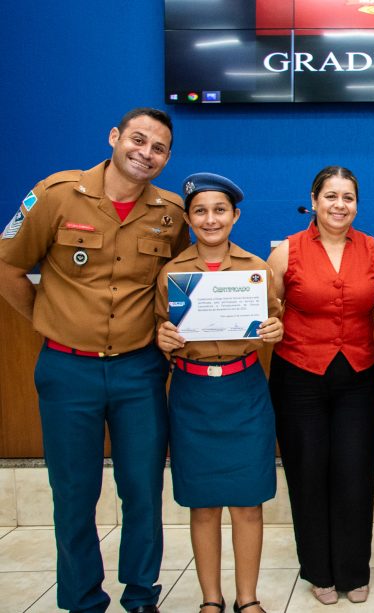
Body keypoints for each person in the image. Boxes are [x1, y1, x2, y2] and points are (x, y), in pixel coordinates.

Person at [0, 108, 188, 613]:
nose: (145, 153)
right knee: (74, 492)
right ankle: (83, 598)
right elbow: (9, 265)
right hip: (67, 370)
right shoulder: (57, 194)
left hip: (139, 369)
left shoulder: (171, 213)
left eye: (158, 148)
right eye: (138, 140)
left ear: (167, 159)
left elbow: (181, 282)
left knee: (143, 490)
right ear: (114, 137)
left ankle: (142, 594)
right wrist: (48, 318)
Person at [155, 173, 282, 613]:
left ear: (235, 216)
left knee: (248, 501)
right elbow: (156, 325)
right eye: (201, 211)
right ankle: (212, 599)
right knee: (203, 504)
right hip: (192, 394)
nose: (211, 219)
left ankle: (247, 599)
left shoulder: (256, 268)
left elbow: (275, 317)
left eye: (220, 210)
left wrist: (274, 328)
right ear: (188, 218)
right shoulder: (172, 273)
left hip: (244, 391)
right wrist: (162, 336)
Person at [267, 166, 374, 605]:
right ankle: (318, 570)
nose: (340, 205)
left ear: (358, 204)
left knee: (355, 475)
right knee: (308, 473)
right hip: (298, 377)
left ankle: (354, 571)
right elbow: (269, 311)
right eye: (331, 196)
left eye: (349, 198)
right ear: (314, 199)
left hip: (357, 377)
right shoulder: (286, 252)